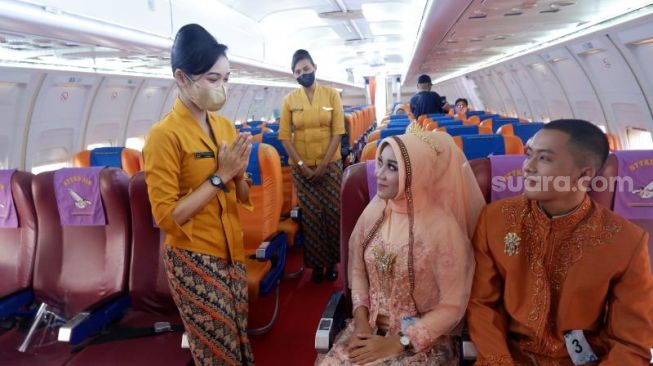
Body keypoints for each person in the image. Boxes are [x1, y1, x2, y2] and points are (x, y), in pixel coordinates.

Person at [467, 119, 653, 365]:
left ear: (584, 174)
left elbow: (632, 341)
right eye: (528, 155)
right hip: (508, 357)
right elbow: (482, 305)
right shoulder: (495, 220)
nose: (528, 167)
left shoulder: (625, 240)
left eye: (544, 159)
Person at [318, 125, 486, 365]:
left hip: (422, 340)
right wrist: (362, 323)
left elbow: (452, 305)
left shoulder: (443, 228)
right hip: (368, 329)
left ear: (415, 172)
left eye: (392, 167)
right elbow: (357, 273)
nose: (379, 174)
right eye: (380, 163)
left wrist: (399, 342)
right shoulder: (374, 213)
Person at [143, 24, 255, 365]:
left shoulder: (223, 126)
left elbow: (242, 192)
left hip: (231, 249)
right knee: (217, 350)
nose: (222, 88)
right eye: (212, 79)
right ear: (181, 77)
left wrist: (237, 176)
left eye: (226, 78)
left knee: (238, 336)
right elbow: (166, 216)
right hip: (193, 256)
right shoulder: (164, 136)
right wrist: (220, 176)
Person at [279, 49, 345, 283]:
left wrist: (324, 165)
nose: (303, 74)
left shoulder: (331, 95)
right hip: (301, 169)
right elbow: (285, 136)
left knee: (332, 213)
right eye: (298, 71)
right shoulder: (289, 101)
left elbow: (338, 131)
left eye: (306, 69)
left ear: (315, 67)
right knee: (311, 218)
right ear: (294, 75)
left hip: (331, 165)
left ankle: (332, 263)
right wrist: (302, 166)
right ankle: (316, 266)